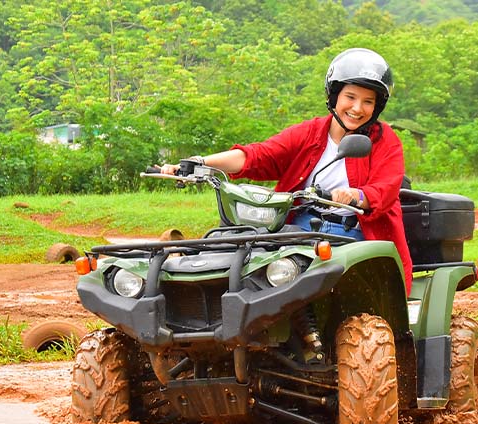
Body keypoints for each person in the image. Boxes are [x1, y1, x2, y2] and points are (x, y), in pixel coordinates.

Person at [160, 48, 412, 292]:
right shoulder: (310, 133)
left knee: (300, 279)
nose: (357, 108)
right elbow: (260, 155)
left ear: (377, 107)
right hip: (297, 226)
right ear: (334, 96)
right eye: (350, 97)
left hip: (352, 233)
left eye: (368, 101)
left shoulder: (385, 141)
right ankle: (185, 279)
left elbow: (386, 188)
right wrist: (201, 162)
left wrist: (356, 195)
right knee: (240, 248)